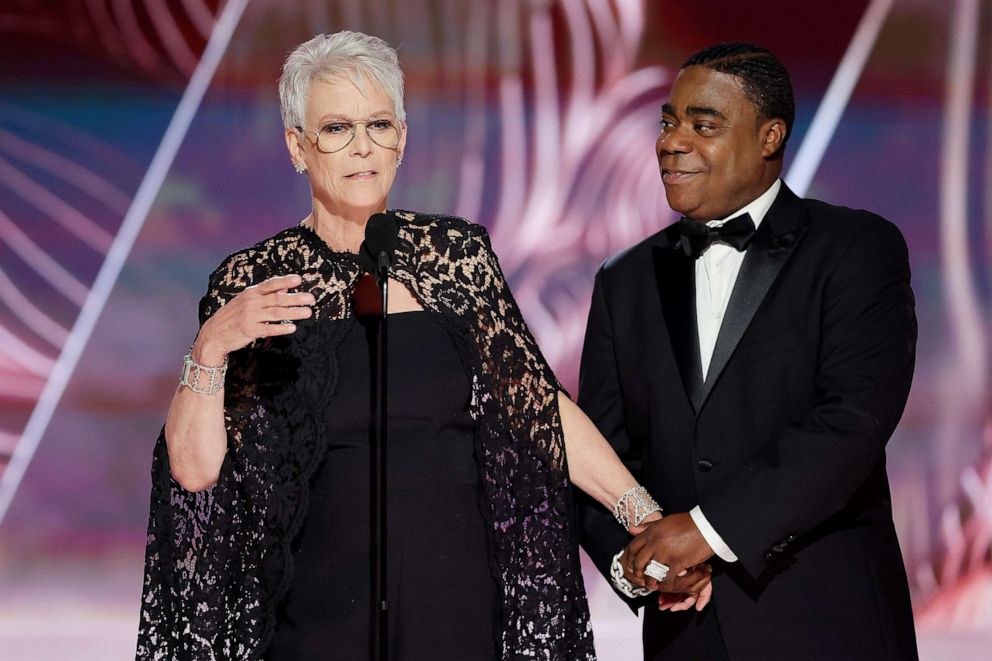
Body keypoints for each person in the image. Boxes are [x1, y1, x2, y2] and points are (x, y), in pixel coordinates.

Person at [135, 31, 710, 660]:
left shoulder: (457, 258)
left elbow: (537, 409)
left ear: (403, 139)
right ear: (297, 147)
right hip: (317, 616)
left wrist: (645, 518)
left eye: (380, 125)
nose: (363, 148)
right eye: (336, 129)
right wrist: (212, 346)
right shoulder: (254, 282)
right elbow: (194, 470)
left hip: (456, 606)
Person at [576, 42, 919, 660]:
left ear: (770, 137)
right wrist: (650, 570)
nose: (672, 142)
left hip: (827, 625)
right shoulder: (623, 280)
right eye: (668, 122)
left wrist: (706, 534)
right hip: (687, 634)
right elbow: (600, 455)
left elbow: (852, 422)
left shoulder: (855, 249)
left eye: (703, 125)